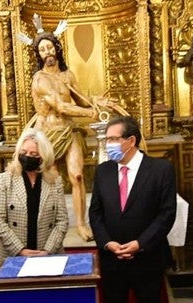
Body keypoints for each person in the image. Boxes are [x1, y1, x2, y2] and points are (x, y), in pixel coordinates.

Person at [89, 116, 177, 303]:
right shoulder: (103, 171)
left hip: (147, 258)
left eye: (112, 139)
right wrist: (107, 243)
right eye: (106, 139)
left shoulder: (161, 169)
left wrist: (141, 243)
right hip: (112, 260)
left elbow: (166, 214)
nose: (108, 144)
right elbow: (95, 213)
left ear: (130, 140)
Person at [29, 29, 120, 242]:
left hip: (69, 131)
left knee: (77, 176)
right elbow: (60, 106)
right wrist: (90, 113)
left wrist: (97, 101)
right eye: (42, 49)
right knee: (55, 182)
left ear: (57, 49)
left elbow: (79, 99)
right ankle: (58, 225)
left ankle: (81, 223)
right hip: (48, 134)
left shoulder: (68, 75)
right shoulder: (39, 79)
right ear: (38, 55)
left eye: (49, 47)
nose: (47, 52)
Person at [0, 128, 68, 270]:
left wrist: (47, 251)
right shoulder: (5, 179)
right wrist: (20, 250)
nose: (27, 156)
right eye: (23, 153)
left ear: (43, 157)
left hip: (47, 255)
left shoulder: (55, 182)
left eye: (33, 154)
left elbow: (62, 221)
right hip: (10, 255)